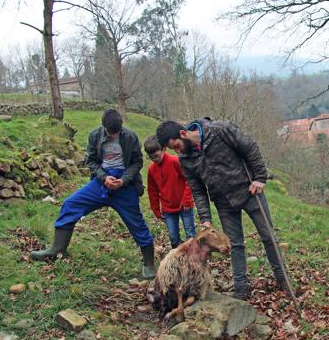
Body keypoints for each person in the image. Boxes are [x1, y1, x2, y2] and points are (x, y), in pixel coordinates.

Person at [155, 118, 286, 300]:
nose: (177, 151)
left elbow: (250, 147)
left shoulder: (219, 130)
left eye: (176, 146)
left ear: (183, 134)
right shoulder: (185, 159)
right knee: (235, 244)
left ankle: (283, 280)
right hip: (224, 203)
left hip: (249, 191)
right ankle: (241, 289)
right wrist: (205, 218)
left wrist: (260, 178)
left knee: (269, 237)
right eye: (173, 150)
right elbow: (197, 189)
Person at [31, 109, 156, 279]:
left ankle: (148, 263)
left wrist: (124, 180)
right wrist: (104, 178)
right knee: (70, 204)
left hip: (124, 185)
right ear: (104, 127)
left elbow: (136, 162)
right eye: (110, 133)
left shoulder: (130, 137)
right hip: (101, 182)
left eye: (116, 133)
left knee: (137, 223)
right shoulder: (95, 136)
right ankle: (57, 249)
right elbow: (91, 161)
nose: (113, 136)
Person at [143, 135, 196, 249]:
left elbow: (189, 180)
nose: (154, 159)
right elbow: (152, 191)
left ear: (163, 149)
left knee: (190, 234)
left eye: (156, 156)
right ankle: (178, 257)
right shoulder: (151, 170)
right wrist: (156, 209)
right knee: (173, 238)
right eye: (150, 157)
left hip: (184, 205)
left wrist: (187, 200)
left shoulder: (175, 161)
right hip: (168, 208)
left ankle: (193, 258)